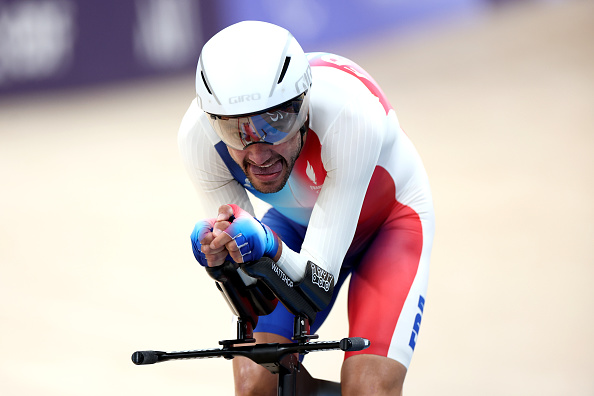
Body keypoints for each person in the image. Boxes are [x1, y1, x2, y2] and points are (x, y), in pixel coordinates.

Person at [178, 20, 435, 396]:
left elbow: (315, 284)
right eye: (237, 133)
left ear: (303, 105)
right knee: (255, 387)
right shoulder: (197, 137)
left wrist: (268, 247)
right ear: (213, 123)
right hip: (297, 225)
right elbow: (256, 300)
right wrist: (225, 269)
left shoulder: (349, 113)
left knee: (368, 389)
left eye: (276, 123)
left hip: (390, 225)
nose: (259, 153)